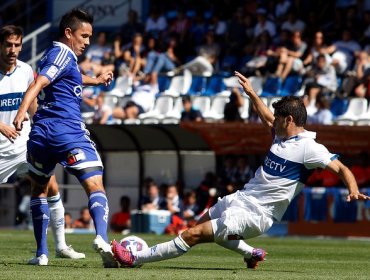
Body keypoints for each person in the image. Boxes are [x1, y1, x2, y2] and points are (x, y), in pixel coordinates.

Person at [112, 71, 369, 269]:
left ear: (289, 120)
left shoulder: (309, 148)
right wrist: (251, 93)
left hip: (257, 215)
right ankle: (251, 253)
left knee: (193, 234)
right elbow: (267, 117)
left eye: (279, 118)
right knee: (202, 224)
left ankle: (135, 258)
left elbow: (341, 168)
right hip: (241, 198)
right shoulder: (282, 136)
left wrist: (353, 189)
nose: (273, 121)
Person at [12, 9, 117, 268]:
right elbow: (39, 83)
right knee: (95, 183)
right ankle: (102, 239)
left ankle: (42, 254)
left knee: (39, 188)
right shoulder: (62, 52)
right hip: (65, 131)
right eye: (84, 35)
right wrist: (22, 111)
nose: (88, 42)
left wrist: (96, 79)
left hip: (40, 135)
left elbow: (71, 78)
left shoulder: (59, 56)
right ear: (69, 33)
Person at [0, 25, 84, 261]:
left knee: (51, 187)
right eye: (8, 44)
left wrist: (39, 126)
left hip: (24, 143)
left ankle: (60, 245)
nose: (13, 50)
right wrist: (2, 126)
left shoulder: (26, 70)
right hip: (1, 148)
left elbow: (35, 101)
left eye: (17, 45)